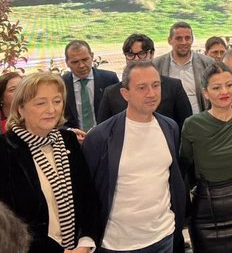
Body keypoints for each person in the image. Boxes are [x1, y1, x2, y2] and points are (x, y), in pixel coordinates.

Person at [82, 60, 186, 253]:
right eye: (142, 87)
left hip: (164, 236)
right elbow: (87, 193)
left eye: (156, 85)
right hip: (117, 244)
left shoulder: (169, 127)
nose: (151, 93)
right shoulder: (101, 137)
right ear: (125, 94)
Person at [0, 72, 99, 253]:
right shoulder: (5, 149)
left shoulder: (68, 140)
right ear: (21, 108)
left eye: (57, 101)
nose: (51, 110)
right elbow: (9, 222)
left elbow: (88, 196)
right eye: (40, 103)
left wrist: (85, 243)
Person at [180, 62, 232, 253]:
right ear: (206, 93)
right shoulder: (192, 125)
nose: (225, 91)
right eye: (216, 87)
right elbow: (185, 166)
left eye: (229, 84)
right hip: (205, 211)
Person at [97, 34, 192, 130]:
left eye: (142, 54)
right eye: (130, 55)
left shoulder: (173, 87)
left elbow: (186, 126)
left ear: (151, 54)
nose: (137, 59)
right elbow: (104, 130)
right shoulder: (112, 93)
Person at [153, 21, 215, 114]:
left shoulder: (207, 63)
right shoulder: (157, 65)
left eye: (187, 38)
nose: (184, 42)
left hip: (200, 122)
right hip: (169, 122)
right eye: (179, 38)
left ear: (192, 40)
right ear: (170, 41)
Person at [62, 40, 119, 130]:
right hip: (72, 140)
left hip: (105, 138)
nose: (81, 65)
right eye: (75, 62)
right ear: (67, 62)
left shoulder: (109, 79)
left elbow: (119, 113)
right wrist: (70, 131)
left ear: (92, 57)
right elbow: (56, 119)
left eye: (85, 59)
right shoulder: (61, 84)